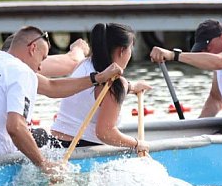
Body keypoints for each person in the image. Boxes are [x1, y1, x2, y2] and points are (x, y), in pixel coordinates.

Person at [0, 26, 122, 177]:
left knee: (36, 136)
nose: (40, 67)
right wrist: (44, 165)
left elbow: (52, 87)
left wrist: (98, 78)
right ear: (32, 48)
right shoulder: (21, 73)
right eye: (43, 58)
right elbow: (15, 128)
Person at [0, 36, 91, 143]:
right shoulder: (15, 69)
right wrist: (79, 49)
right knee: (39, 134)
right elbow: (67, 67)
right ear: (28, 51)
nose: (39, 67)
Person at [51, 23, 151, 153]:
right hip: (79, 150)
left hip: (54, 144)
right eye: (130, 49)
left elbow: (94, 93)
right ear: (122, 50)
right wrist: (137, 143)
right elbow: (105, 133)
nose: (130, 54)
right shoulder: (115, 84)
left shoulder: (84, 64)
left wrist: (132, 87)